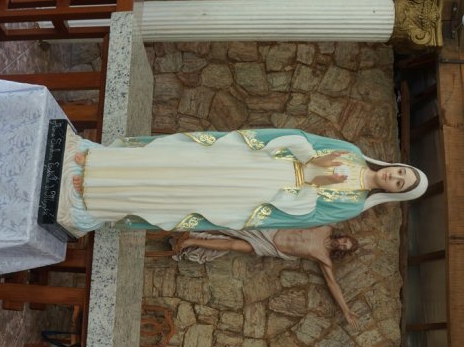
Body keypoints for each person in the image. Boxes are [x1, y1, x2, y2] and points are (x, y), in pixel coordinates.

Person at [59, 128, 428, 237]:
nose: (394, 177)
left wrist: (311, 179)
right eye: (401, 172)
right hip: (254, 160)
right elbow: (300, 138)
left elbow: (302, 214)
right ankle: (98, 162)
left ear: (392, 194)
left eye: (400, 184)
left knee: (176, 192)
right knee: (178, 160)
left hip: (257, 192)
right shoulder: (352, 151)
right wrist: (309, 160)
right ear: (396, 165)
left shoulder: (351, 205)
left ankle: (95, 195)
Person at [171, 226, 360, 327]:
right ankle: (187, 226)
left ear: (342, 251)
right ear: (343, 236)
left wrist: (346, 310)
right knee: (230, 225)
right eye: (344, 241)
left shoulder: (324, 258)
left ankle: (191, 241)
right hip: (271, 230)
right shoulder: (325, 228)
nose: (341, 244)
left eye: (344, 247)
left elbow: (332, 284)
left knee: (233, 245)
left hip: (271, 248)